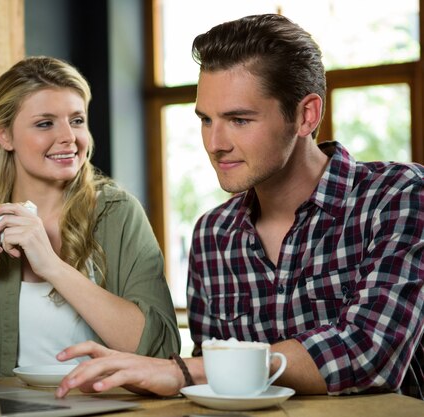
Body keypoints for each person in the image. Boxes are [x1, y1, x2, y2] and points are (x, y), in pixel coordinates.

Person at [55, 14, 424, 399]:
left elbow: (369, 352)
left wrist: (182, 371)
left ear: (305, 115)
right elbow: (216, 390)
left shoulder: (398, 198)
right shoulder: (212, 235)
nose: (215, 143)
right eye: (205, 120)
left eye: (239, 120)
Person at [0, 56, 180, 376]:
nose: (69, 137)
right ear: (4, 135)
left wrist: (52, 266)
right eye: (45, 123)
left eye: (77, 120)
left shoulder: (118, 215)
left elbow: (162, 350)